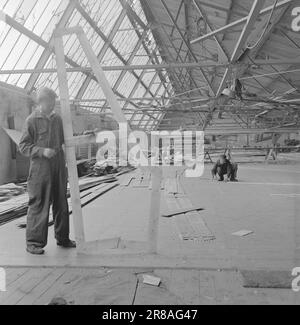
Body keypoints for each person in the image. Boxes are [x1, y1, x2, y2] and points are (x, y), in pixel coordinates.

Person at [19, 87, 76, 255]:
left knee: (61, 203)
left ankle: (63, 238)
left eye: (54, 102)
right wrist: (41, 151)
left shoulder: (57, 119)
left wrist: (83, 135)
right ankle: (33, 243)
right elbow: (23, 146)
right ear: (41, 102)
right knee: (39, 204)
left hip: (58, 165)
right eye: (50, 102)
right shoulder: (31, 120)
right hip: (40, 169)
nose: (53, 105)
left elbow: (67, 138)